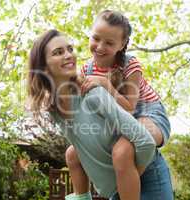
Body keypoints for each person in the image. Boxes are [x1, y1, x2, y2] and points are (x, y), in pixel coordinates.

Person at [27, 29, 172, 200]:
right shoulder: (54, 108)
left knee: (122, 150)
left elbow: (145, 142)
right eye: (58, 52)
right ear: (43, 66)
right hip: (120, 186)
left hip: (148, 178)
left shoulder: (92, 94)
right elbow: (82, 149)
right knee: (72, 152)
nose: (68, 55)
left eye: (70, 49)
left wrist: (126, 177)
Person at [66, 10, 173, 200]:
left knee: (122, 150)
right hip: (115, 120)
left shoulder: (130, 65)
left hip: (147, 113)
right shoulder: (87, 69)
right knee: (72, 152)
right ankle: (82, 196)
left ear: (122, 44)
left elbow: (130, 107)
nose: (100, 47)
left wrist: (105, 84)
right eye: (96, 38)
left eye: (109, 43)